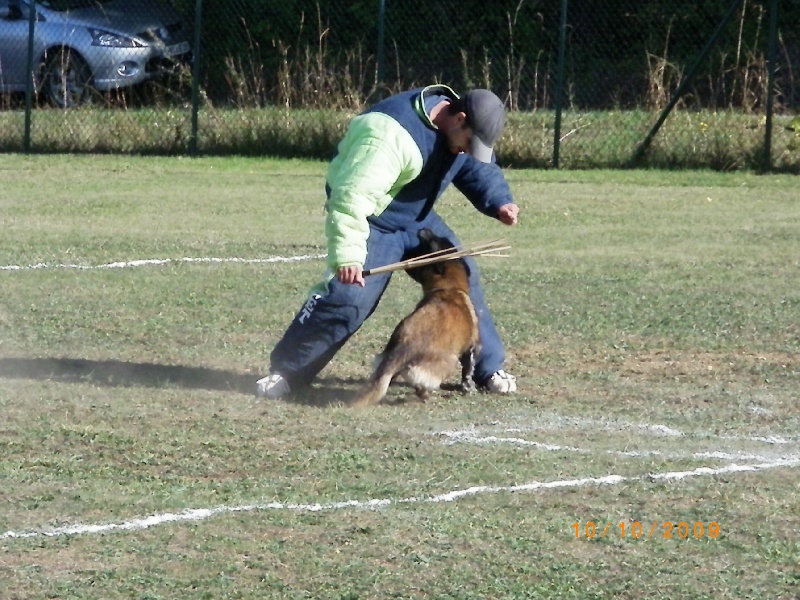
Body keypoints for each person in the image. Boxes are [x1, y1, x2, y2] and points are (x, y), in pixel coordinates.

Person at [256, 84, 520, 399]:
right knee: (348, 298)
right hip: (372, 222)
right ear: (458, 118)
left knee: (463, 278)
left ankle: (485, 368)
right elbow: (350, 198)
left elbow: (476, 166)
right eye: (468, 141)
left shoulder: (458, 132)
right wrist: (350, 255)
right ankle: (286, 372)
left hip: (417, 219)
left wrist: (499, 201)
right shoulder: (388, 136)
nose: (467, 149)